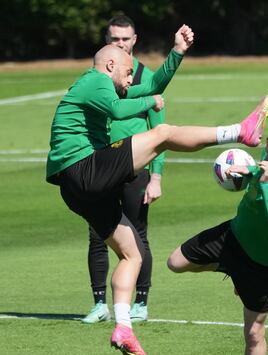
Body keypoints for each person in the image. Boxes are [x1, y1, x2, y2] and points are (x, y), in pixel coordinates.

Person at [46, 23, 268, 355]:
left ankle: (123, 326)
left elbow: (150, 82)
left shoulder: (110, 83)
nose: (128, 80)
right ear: (109, 65)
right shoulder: (94, 81)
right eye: (125, 73)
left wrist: (177, 51)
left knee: (131, 253)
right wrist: (151, 101)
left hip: (75, 187)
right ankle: (240, 131)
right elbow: (122, 109)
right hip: (83, 167)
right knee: (163, 132)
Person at [167, 125, 268, 355]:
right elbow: (262, 166)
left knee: (253, 334)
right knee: (175, 262)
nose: (266, 159)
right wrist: (249, 170)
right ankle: (227, 267)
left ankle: (236, 273)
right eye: (266, 155)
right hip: (234, 235)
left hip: (262, 263)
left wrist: (266, 184)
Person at [81, 14, 166, 325]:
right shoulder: (97, 79)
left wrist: (156, 176)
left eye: (125, 39)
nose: (120, 44)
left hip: (134, 167)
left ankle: (140, 303)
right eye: (114, 39)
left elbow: (160, 129)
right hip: (100, 164)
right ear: (107, 42)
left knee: (137, 234)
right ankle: (99, 303)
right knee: (96, 234)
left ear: (134, 40)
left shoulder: (147, 78)